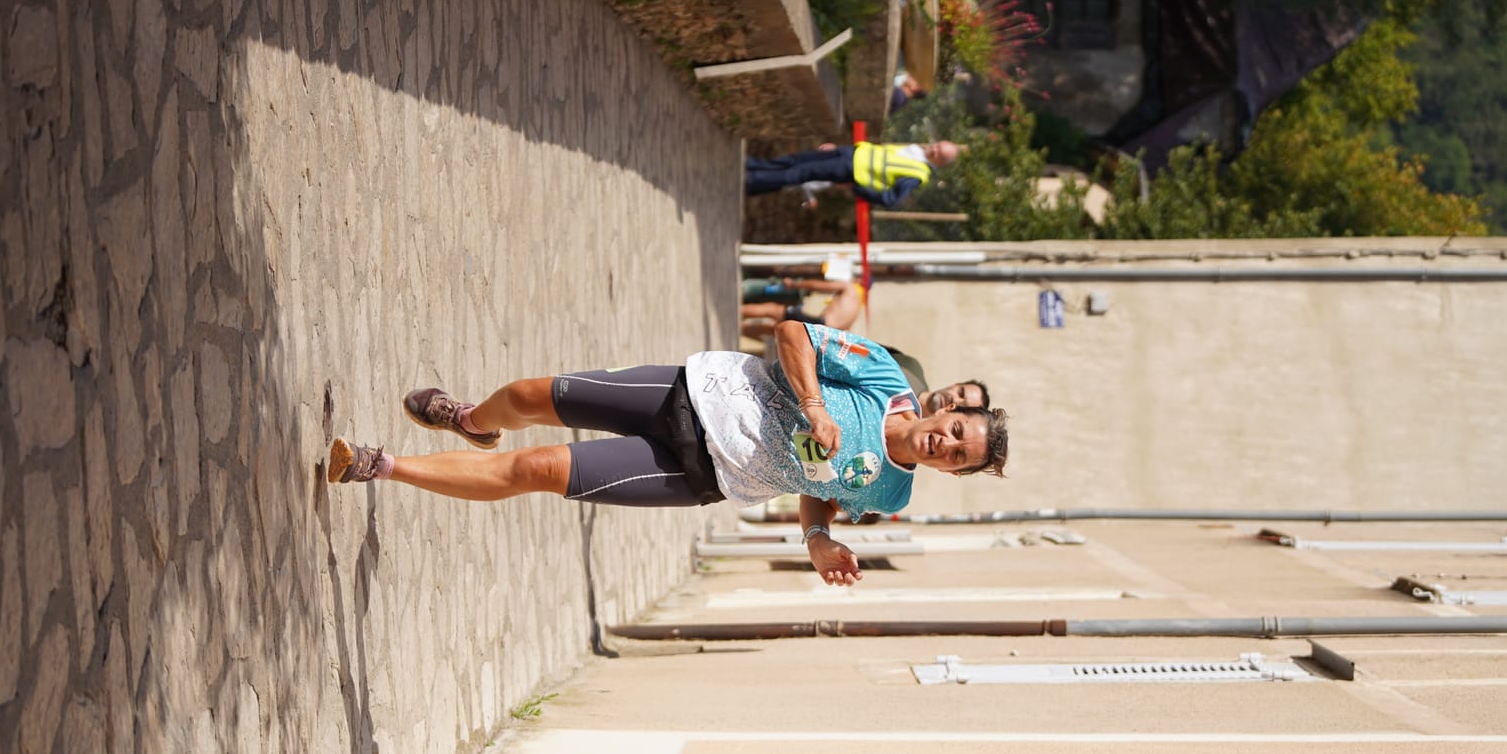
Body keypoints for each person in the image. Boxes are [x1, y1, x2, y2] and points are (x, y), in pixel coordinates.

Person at [325, 321, 1010, 585]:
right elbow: (793, 333)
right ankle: (473, 418)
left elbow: (823, 489)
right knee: (539, 395)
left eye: (959, 456)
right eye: (956, 431)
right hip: (696, 393)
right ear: (948, 410)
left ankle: (377, 465)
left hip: (701, 473)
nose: (946, 444)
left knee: (537, 470)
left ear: (957, 473)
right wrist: (815, 406)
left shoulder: (890, 496)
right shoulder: (888, 377)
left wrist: (818, 538)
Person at [744, 140, 962, 210]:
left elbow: (890, 200)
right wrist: (842, 148)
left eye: (938, 153)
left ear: (940, 162)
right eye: (936, 145)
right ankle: (753, 166)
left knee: (801, 173)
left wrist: (856, 187)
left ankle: (753, 182)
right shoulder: (914, 148)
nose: (933, 149)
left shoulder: (919, 174)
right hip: (850, 153)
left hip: (851, 170)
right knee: (797, 160)